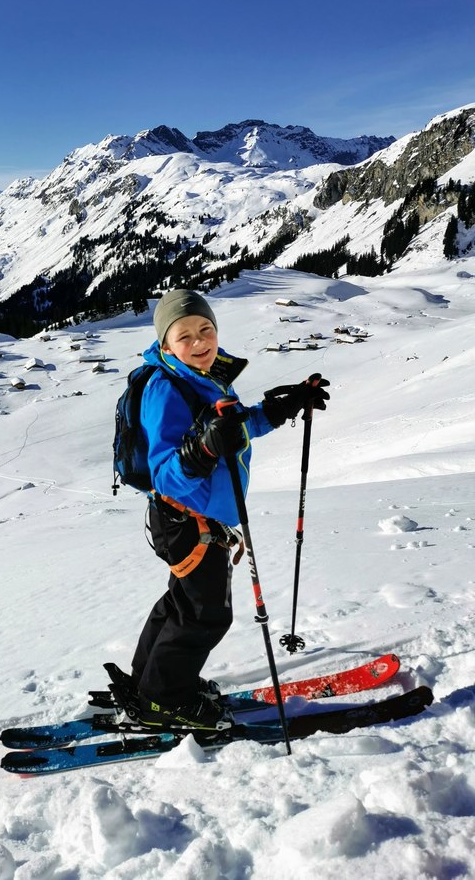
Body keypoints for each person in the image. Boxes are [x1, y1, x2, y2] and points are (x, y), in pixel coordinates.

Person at [130, 288, 329, 731]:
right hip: (187, 521)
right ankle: (164, 698)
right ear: (166, 344)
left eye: (206, 330)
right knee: (206, 614)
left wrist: (282, 407)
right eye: (185, 335)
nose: (199, 341)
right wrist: (202, 451)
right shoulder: (165, 387)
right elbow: (166, 472)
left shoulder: (207, 375)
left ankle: (148, 682)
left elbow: (233, 429)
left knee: (183, 603)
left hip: (198, 519)